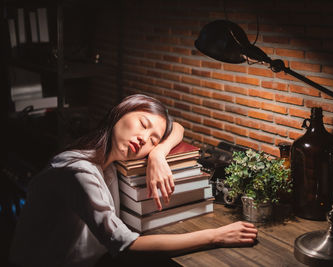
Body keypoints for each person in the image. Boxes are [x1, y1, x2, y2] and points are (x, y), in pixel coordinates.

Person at [9, 94, 257, 267]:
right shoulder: (79, 170)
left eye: (152, 139)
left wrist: (158, 155)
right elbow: (127, 244)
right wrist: (215, 236)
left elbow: (177, 128)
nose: (144, 139)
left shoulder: (109, 160)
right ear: (121, 111)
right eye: (143, 124)